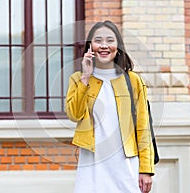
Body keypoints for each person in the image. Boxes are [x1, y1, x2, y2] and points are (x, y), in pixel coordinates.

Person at [65, 20, 155, 193]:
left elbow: (143, 127)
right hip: (91, 164)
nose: (104, 45)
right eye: (98, 40)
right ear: (90, 46)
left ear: (118, 46)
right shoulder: (78, 78)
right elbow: (74, 114)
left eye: (110, 40)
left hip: (125, 164)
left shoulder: (133, 81)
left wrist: (146, 169)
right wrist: (85, 77)